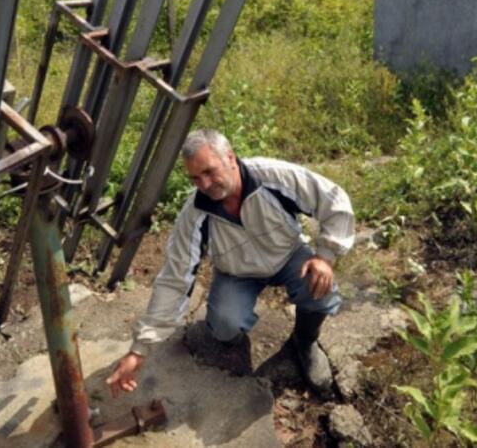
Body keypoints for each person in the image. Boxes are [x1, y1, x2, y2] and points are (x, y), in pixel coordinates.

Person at [106, 129, 355, 398]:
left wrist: (325, 256)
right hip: (238, 273)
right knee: (225, 325)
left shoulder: (272, 177)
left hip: (288, 255)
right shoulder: (194, 214)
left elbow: (333, 198)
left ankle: (304, 342)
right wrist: (139, 351)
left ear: (231, 158)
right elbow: (174, 279)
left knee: (320, 287)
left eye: (210, 172)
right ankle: (236, 339)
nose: (204, 185)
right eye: (195, 178)